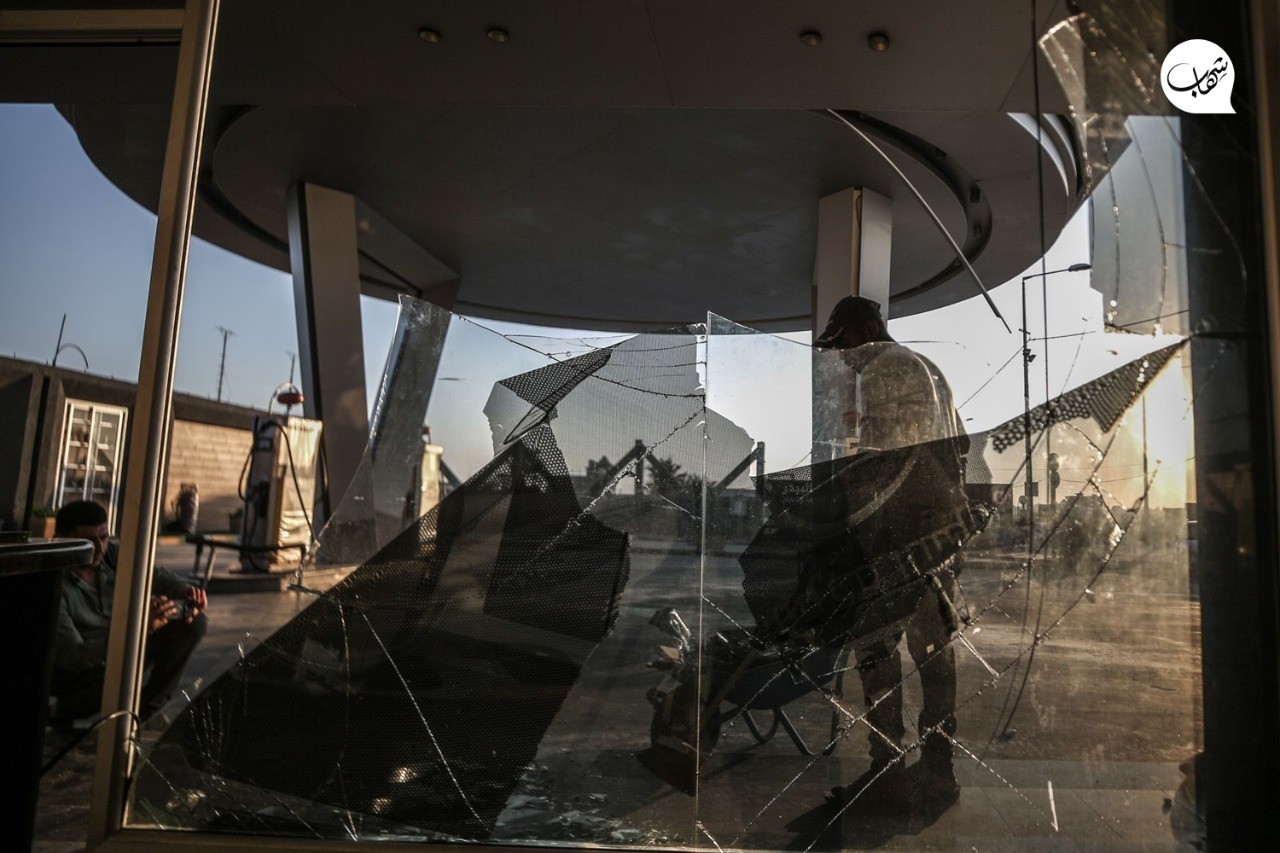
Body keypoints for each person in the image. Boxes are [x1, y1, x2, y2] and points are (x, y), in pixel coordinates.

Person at [813, 295, 967, 815]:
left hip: (898, 534)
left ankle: (886, 770)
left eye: (845, 342)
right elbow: (962, 447)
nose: (844, 356)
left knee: (877, 652)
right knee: (934, 654)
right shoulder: (930, 368)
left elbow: (880, 460)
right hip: (938, 530)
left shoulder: (884, 366)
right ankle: (939, 770)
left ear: (869, 328)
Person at [51, 500, 208, 722]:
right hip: (85, 675)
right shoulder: (57, 586)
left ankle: (149, 712)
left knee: (193, 622)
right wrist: (137, 629)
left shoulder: (111, 556)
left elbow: (154, 575)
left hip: (122, 651)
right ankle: (63, 711)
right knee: (111, 669)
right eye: (88, 541)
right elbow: (74, 657)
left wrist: (186, 591)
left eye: (103, 537)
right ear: (62, 540)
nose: (99, 548)